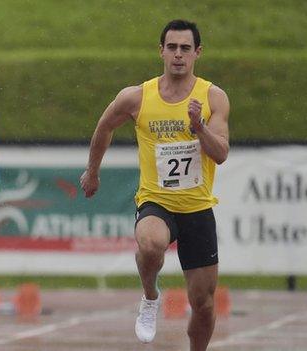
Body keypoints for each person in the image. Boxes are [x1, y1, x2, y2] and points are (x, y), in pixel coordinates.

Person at [80, 20, 230, 350]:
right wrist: (92, 172)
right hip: (155, 201)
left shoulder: (212, 96)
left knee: (203, 306)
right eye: (172, 47)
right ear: (161, 50)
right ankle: (150, 297)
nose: (178, 55)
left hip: (198, 208)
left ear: (197, 53)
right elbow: (104, 127)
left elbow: (220, 154)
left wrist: (199, 128)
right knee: (150, 245)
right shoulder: (136, 97)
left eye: (185, 49)